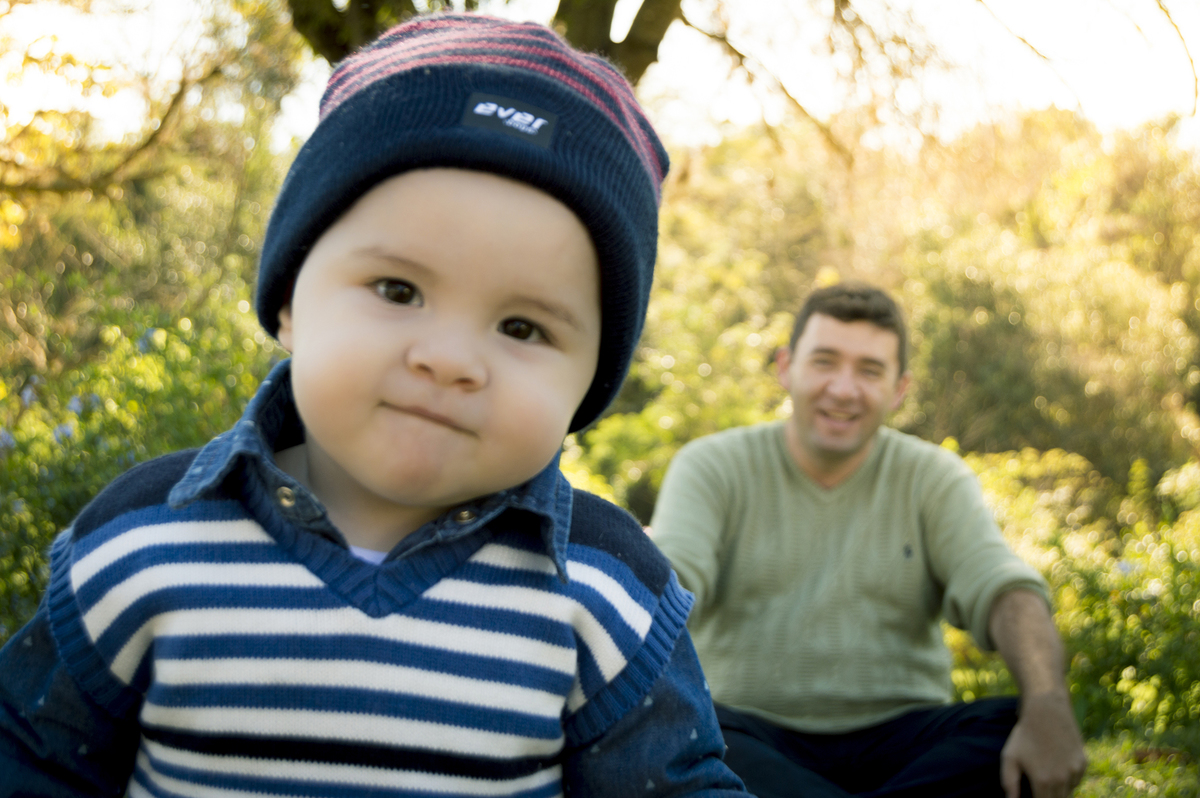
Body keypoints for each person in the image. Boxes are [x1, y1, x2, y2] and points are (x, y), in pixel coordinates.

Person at [0, 15, 749, 797]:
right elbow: (31, 757)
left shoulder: (605, 590)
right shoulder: (146, 537)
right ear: (289, 301)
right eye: (398, 290)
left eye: (522, 328)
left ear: (588, 382)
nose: (449, 358)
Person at [650, 283, 1088, 798]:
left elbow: (1003, 589)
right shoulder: (712, 466)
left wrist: (1049, 703)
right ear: (786, 367)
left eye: (870, 370)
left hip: (905, 743)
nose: (843, 389)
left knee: (1016, 726)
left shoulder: (933, 477)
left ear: (899, 389)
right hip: (751, 736)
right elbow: (670, 582)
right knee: (683, 736)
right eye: (825, 362)